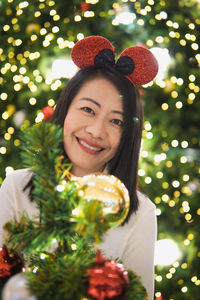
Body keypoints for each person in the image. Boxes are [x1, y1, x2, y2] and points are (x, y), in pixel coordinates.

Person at [0, 36, 158, 299]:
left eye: (116, 122)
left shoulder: (140, 212)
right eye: (88, 109)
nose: (96, 130)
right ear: (65, 111)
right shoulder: (16, 186)